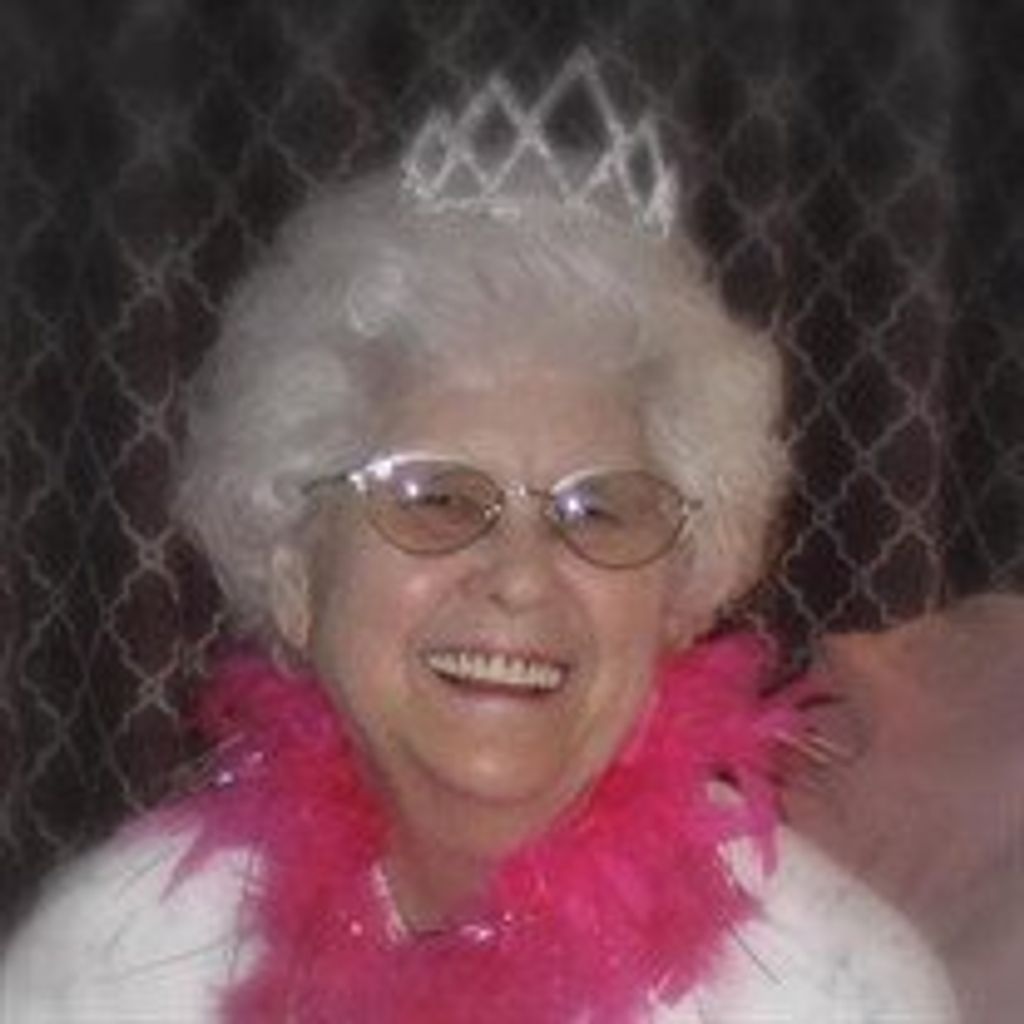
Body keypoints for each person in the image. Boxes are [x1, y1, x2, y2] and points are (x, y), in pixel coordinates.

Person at [0, 51, 957, 1023]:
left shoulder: (839, 991)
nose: (520, 578)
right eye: (435, 499)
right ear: (296, 577)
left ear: (675, 598)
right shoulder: (111, 968)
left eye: (597, 510)